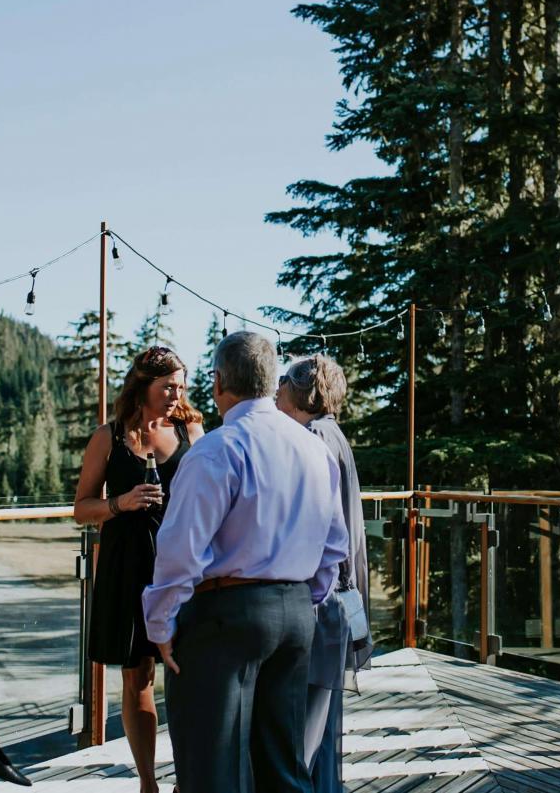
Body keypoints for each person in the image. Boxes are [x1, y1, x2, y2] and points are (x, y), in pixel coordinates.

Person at [143, 332, 349, 792]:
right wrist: (302, 600)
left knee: (213, 772)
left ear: (218, 383)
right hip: (297, 615)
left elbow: (180, 552)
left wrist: (160, 626)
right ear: (269, 381)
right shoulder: (313, 448)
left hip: (225, 619)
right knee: (284, 766)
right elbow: (335, 545)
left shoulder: (216, 450)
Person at [73, 346, 205, 793]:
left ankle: (190, 776)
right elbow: (81, 508)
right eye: (168, 385)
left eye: (181, 386)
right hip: (128, 563)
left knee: (190, 670)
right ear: (142, 386)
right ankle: (148, 782)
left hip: (182, 562)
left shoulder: (191, 429)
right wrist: (120, 503)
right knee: (138, 675)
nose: (176, 394)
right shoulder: (108, 437)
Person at [276, 354, 372, 793]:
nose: (275, 391)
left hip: (319, 599)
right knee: (323, 730)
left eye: (282, 383)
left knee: (304, 737)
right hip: (334, 597)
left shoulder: (312, 436)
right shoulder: (332, 434)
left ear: (301, 392)